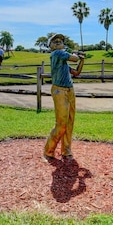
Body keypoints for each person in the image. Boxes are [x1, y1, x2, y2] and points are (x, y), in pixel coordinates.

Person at [43, 33, 84, 162]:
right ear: (50, 46)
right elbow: (74, 58)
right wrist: (77, 55)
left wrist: (82, 59)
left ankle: (66, 150)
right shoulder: (57, 54)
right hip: (59, 91)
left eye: (60, 41)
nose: (58, 43)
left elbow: (76, 72)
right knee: (61, 123)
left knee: (70, 122)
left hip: (70, 90)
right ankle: (48, 151)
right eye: (55, 42)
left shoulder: (63, 62)